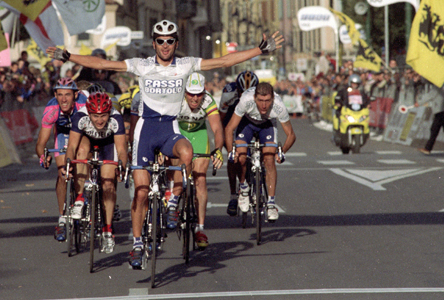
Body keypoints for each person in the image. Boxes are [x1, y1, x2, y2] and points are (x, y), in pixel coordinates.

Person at [47, 20, 284, 269]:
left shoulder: (185, 64)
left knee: (187, 152)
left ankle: (172, 199)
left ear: (176, 43)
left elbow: (224, 61)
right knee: (141, 192)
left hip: (170, 128)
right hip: (146, 131)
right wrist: (68, 55)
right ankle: (137, 246)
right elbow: (103, 63)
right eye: (160, 40)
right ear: (154, 43)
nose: (165, 45)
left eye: (170, 40)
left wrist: (260, 50)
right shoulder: (142, 65)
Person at [64, 92, 128, 253]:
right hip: (88, 140)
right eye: (95, 116)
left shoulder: (116, 118)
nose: (99, 120)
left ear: (109, 113)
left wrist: (121, 166)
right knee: (81, 152)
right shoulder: (80, 117)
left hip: (108, 144)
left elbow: (121, 150)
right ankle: (79, 199)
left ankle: (107, 230)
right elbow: (71, 146)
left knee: (108, 183)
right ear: (89, 113)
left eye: (103, 116)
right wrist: (68, 165)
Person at [224, 82, 296, 222]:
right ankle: (244, 188)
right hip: (247, 123)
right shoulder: (245, 100)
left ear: (273, 99)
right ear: (254, 98)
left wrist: (281, 152)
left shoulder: (278, 106)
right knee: (241, 156)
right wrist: (231, 151)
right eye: (260, 101)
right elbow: (229, 129)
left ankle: (271, 204)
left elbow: (291, 135)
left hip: (267, 125)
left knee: (269, 160)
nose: (264, 105)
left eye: (267, 101)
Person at [35, 77, 88, 241]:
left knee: (81, 155)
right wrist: (43, 156)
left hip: (83, 132)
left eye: (68, 95)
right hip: (63, 133)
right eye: (60, 95)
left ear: (75, 95)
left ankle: (80, 197)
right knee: (62, 174)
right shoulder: (51, 108)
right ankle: (62, 217)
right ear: (55, 95)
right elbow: (41, 142)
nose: (64, 99)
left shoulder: (83, 104)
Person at [175, 72, 224, 249]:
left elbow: (217, 128)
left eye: (198, 94)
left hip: (198, 135)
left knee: (200, 179)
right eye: (191, 94)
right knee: (176, 171)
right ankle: (172, 196)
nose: (195, 98)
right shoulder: (177, 98)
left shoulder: (208, 101)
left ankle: (200, 228)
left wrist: (218, 150)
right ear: (184, 91)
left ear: (204, 92)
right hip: (178, 133)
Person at [218, 70, 259, 217]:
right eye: (242, 92)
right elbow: (221, 119)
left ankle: (260, 176)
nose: (246, 95)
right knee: (232, 157)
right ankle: (233, 196)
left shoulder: (261, 94)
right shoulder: (228, 92)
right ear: (237, 88)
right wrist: (224, 140)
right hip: (232, 120)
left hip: (252, 120)